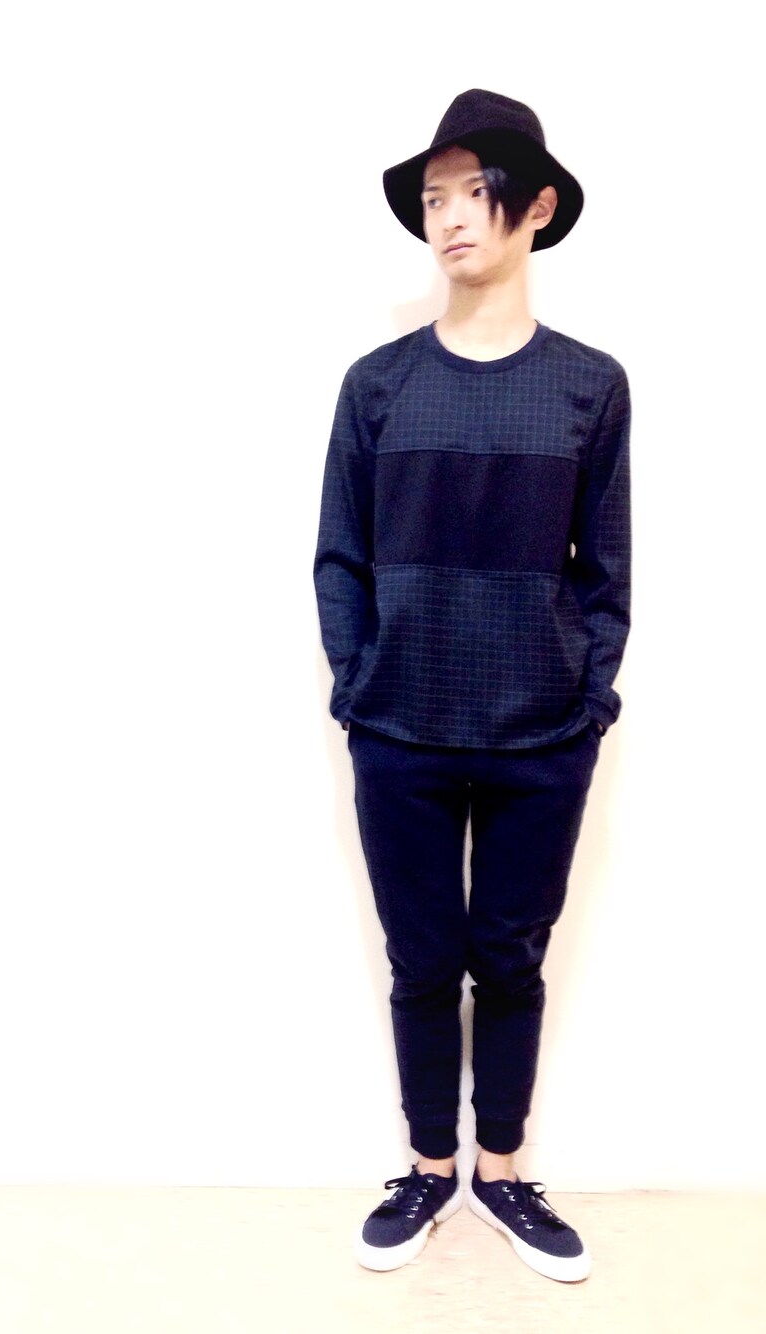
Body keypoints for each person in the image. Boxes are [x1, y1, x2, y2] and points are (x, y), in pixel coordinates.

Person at [313, 89, 630, 1283]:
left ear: (534, 208)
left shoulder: (589, 386)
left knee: (510, 958)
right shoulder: (377, 384)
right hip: (399, 725)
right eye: (431, 196)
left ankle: (500, 1169)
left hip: (540, 733)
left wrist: (585, 698)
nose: (446, 216)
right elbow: (338, 555)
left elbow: (607, 569)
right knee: (419, 959)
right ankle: (426, 1164)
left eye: (471, 191)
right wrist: (359, 680)